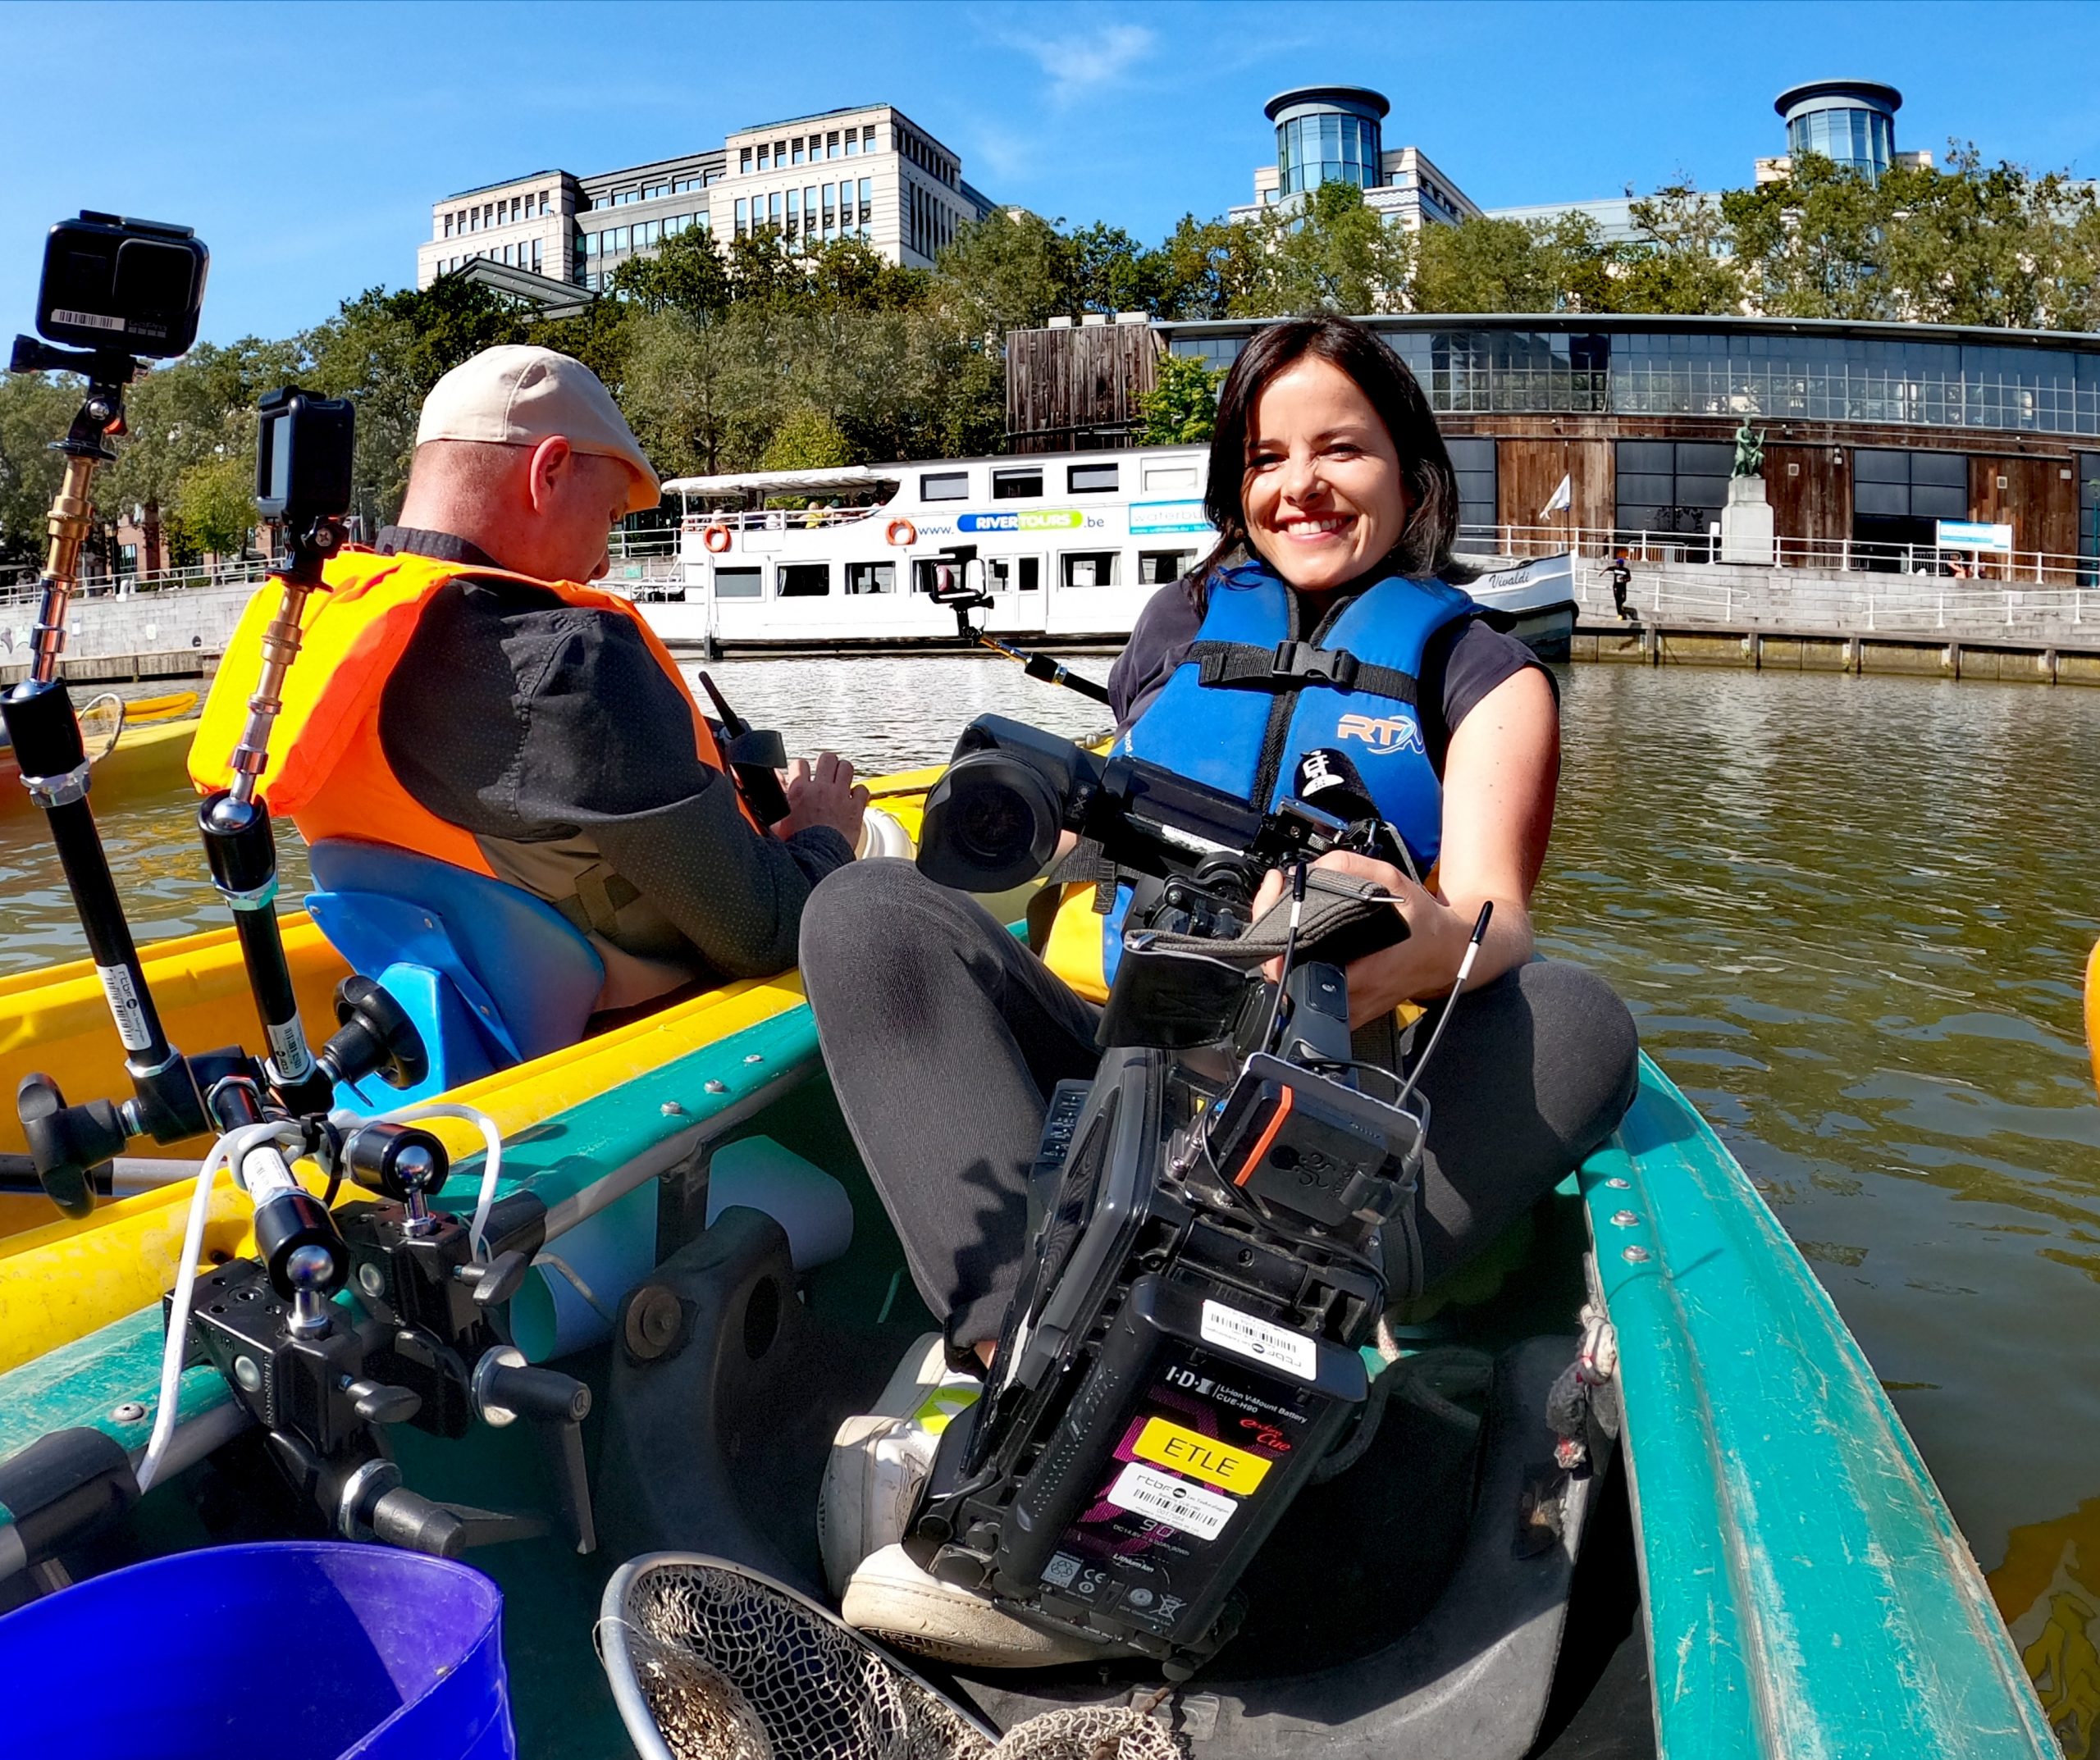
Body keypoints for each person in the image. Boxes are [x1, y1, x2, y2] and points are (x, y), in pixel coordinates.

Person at [799, 315, 1639, 1659]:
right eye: (1267, 457)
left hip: (1321, 1088)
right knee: (864, 913)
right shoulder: (1179, 624)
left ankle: (1236, 1383)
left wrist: (1389, 924)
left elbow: (1496, 916)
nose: (1299, 484)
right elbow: (1085, 830)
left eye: (1340, 448)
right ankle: (1026, 1354)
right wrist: (1020, 821)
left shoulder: (1485, 669)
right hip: (1131, 1052)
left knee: (1583, 1019)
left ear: (1413, 475)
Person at [192, 344, 867, 1014]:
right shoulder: (573, 662)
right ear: (550, 471)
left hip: (458, 1013)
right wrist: (823, 832)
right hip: (626, 1034)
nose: (602, 567)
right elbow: (769, 934)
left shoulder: (308, 626)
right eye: (607, 517)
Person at [1606, 548, 1635, 620]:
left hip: (1623, 586)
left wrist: (1624, 580)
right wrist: (1602, 573)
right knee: (1617, 600)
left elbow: (1629, 578)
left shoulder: (1626, 570)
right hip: (1616, 587)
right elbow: (1608, 568)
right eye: (1617, 563)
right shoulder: (1615, 569)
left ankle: (1621, 609)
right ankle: (1620, 614)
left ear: (1621, 564)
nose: (1617, 564)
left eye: (1618, 563)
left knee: (1623, 599)